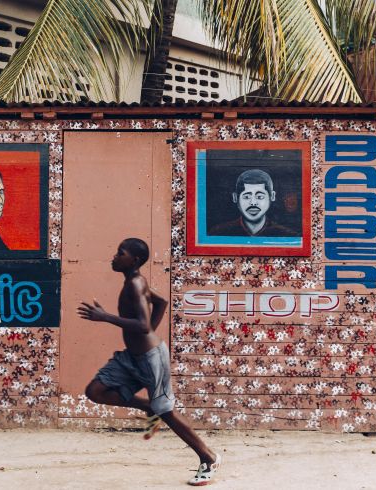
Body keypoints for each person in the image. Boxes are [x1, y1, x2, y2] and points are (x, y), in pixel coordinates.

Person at [78, 238, 221, 486]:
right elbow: (162, 303)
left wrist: (105, 317)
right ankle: (148, 408)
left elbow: (143, 325)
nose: (114, 256)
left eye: (119, 253)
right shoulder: (135, 282)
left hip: (152, 360)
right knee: (95, 390)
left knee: (166, 411)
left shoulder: (135, 283)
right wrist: (148, 333)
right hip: (132, 358)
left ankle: (208, 457)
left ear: (133, 260)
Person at [210, 168, 295, 237]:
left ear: (272, 196)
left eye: (260, 197)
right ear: (235, 198)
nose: (253, 203)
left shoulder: (288, 235)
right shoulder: (217, 233)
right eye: (247, 197)